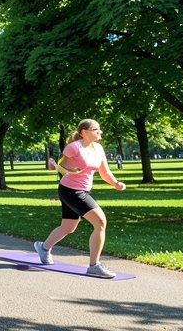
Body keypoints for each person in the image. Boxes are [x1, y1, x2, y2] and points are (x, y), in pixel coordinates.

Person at [33, 118, 126, 279]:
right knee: (100, 222)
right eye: (97, 129)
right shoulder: (73, 147)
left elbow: (104, 172)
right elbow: (60, 167)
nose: (100, 132)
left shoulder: (98, 148)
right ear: (84, 131)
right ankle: (94, 265)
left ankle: (43, 247)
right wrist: (54, 165)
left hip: (81, 190)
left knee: (68, 227)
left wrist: (116, 183)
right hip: (70, 190)